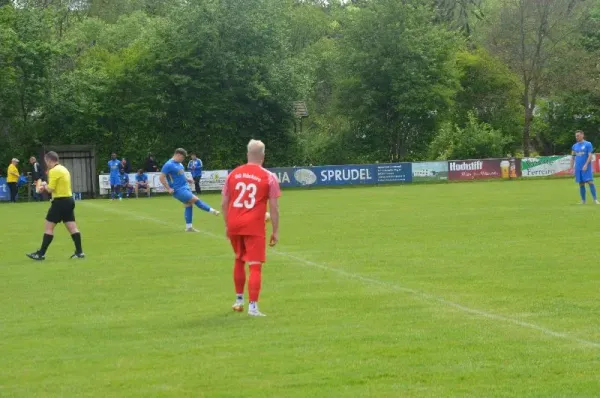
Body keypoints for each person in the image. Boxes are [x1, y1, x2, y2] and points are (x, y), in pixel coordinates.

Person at [221, 139, 281, 317]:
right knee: (255, 265)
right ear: (263, 156)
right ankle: (253, 307)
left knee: (239, 259)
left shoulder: (233, 174)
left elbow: (224, 203)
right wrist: (275, 231)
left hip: (234, 223)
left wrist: (227, 224)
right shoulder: (269, 176)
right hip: (254, 225)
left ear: (247, 154)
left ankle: (238, 300)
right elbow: (274, 207)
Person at [26, 151, 84, 261]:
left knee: (48, 227)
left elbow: (50, 189)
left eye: (46, 161)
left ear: (49, 160)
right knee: (72, 227)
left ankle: (41, 254)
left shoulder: (54, 171)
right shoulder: (64, 169)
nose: (46, 164)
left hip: (60, 202)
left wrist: (43, 185)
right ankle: (80, 252)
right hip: (69, 200)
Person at [159, 148, 220, 232]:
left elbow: (180, 175)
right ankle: (213, 211)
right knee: (195, 199)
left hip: (185, 187)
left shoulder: (180, 164)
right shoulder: (168, 164)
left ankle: (189, 227)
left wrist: (187, 179)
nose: (183, 160)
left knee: (188, 204)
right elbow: (161, 177)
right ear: (178, 155)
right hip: (178, 190)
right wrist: (168, 188)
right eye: (182, 158)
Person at [570, 130, 599, 205]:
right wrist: (571, 167)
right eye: (576, 136)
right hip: (578, 167)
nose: (577, 137)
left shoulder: (588, 144)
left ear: (582, 135)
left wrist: (586, 164)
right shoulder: (574, 146)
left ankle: (595, 200)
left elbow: (590, 155)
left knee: (590, 182)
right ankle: (583, 200)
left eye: (578, 135)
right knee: (581, 183)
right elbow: (573, 157)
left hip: (586, 167)